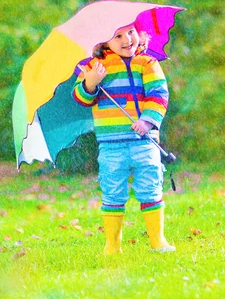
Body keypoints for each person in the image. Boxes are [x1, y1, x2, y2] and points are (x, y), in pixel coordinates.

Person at [72, 23, 175, 254]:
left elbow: (159, 94)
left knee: (150, 188)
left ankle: (158, 240)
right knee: (112, 192)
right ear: (103, 42)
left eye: (131, 32)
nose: (127, 39)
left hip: (144, 141)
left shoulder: (147, 63)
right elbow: (81, 98)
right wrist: (91, 83)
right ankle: (112, 245)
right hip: (111, 144)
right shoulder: (94, 66)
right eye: (117, 36)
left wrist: (147, 121)